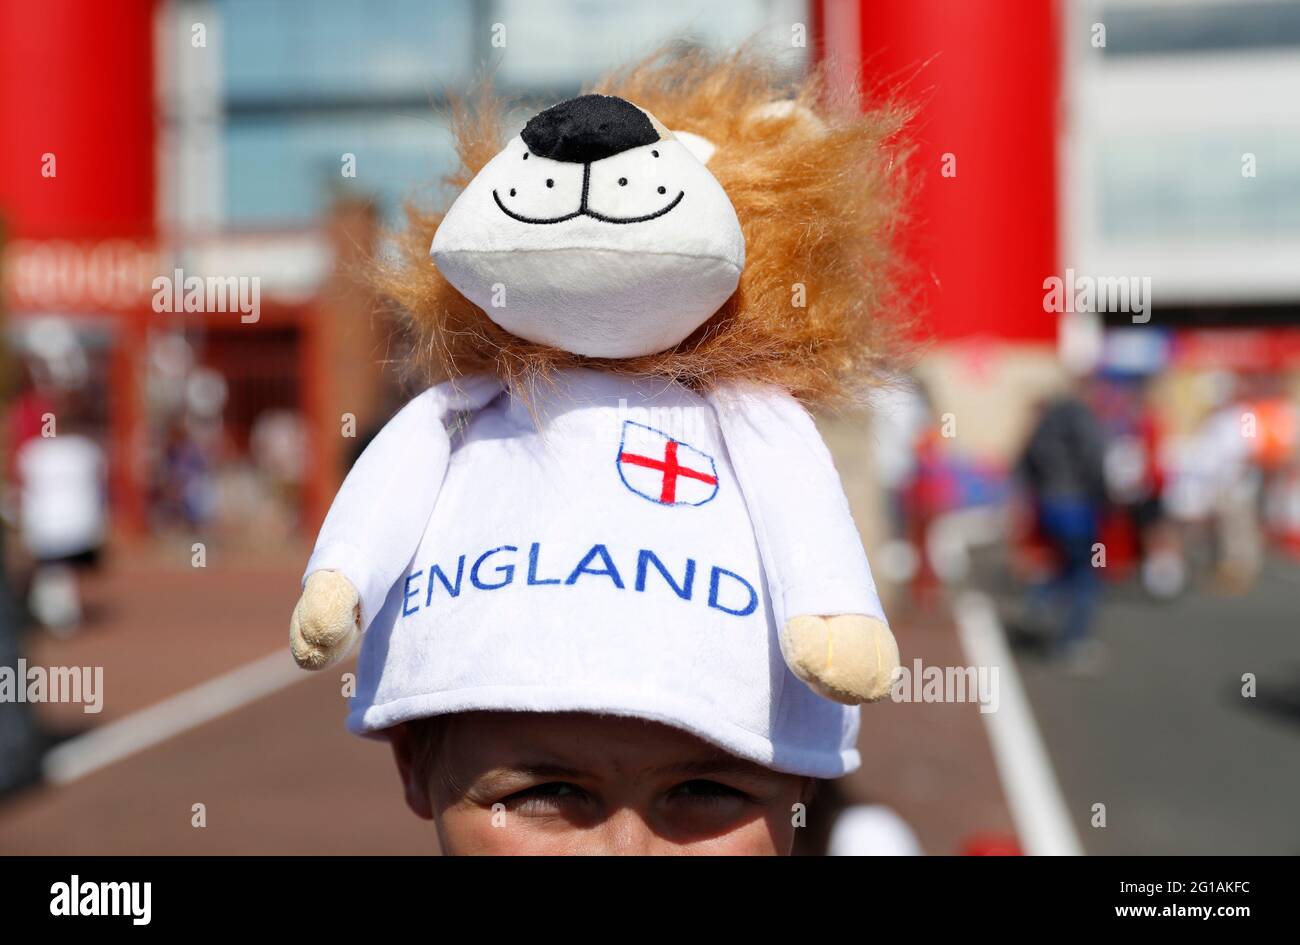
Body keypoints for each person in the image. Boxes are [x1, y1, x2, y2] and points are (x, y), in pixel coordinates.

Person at [1016, 392, 1108, 670]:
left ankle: (1040, 599)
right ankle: (1073, 642)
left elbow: (1025, 463)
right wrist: (1104, 499)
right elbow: (1095, 462)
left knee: (1061, 564)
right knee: (1084, 575)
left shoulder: (1046, 427)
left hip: (1049, 505)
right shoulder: (1084, 420)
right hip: (1077, 507)